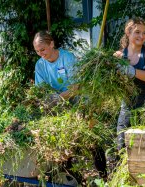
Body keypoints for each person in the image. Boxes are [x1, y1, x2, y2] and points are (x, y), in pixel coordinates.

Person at [33, 30, 107, 181]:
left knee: (92, 138)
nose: (41, 53)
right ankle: (74, 179)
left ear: (51, 44)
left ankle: (104, 176)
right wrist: (45, 101)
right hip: (60, 105)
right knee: (65, 140)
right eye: (37, 51)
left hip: (80, 101)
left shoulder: (67, 58)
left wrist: (59, 97)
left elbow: (78, 86)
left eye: (43, 49)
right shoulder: (40, 65)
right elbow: (40, 90)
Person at [114, 18, 145, 151]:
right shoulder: (118, 56)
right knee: (121, 146)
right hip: (128, 106)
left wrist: (132, 71)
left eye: (144, 33)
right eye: (137, 32)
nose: (142, 36)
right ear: (128, 33)